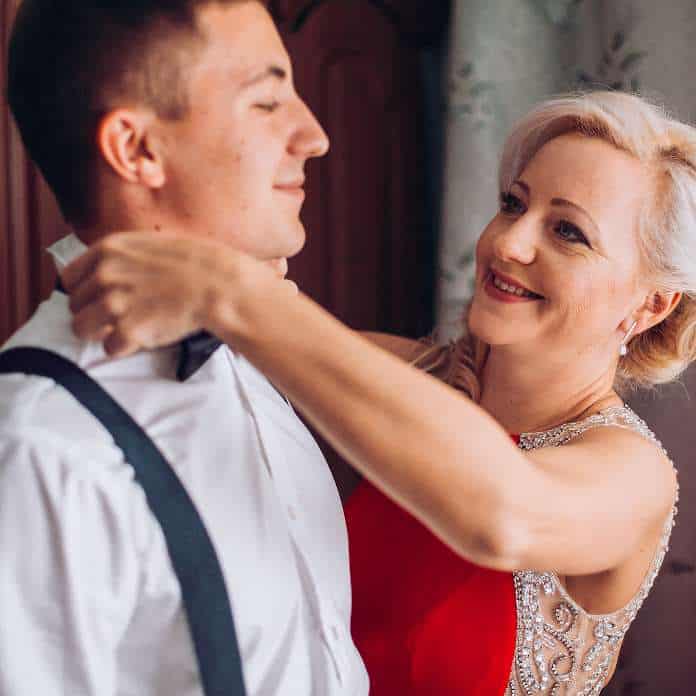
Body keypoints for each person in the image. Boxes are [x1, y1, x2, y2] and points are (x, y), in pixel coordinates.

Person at [63, 90, 694, 695]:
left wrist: (234, 292)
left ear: (651, 305)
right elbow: (236, 336)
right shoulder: (401, 381)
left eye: (568, 232)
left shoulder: (634, 474)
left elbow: (503, 515)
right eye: (512, 204)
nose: (507, 243)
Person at [0, 1, 370, 694]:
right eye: (267, 102)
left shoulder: (252, 351)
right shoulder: (42, 448)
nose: (315, 136)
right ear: (137, 149)